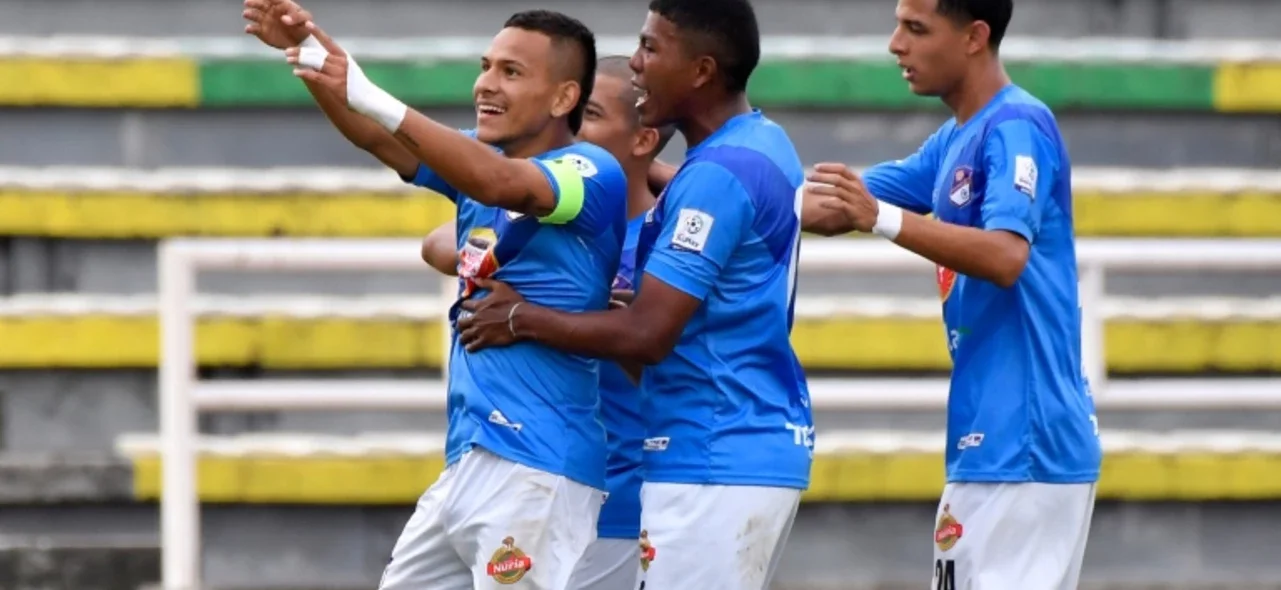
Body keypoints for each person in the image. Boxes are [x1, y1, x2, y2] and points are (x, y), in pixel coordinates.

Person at [243, 2, 630, 589]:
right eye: (485, 66)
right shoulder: (481, 159)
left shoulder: (590, 170)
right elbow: (379, 136)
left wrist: (370, 92)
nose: (485, 85)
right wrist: (312, 51)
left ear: (562, 98)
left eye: (511, 72)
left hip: (537, 469)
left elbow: (499, 184)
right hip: (469, 461)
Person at [456, 1, 813, 588]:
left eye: (651, 48)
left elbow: (648, 334)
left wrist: (522, 318)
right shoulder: (757, 146)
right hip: (730, 444)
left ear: (700, 70)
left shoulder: (719, 173)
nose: (638, 64)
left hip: (714, 450)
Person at [801, 0, 1102, 588]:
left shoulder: (1017, 127)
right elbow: (831, 203)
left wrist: (882, 219)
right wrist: (696, 185)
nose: (895, 44)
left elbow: (1006, 255)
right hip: (988, 442)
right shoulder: (954, 140)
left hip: (1028, 443)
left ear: (974, 37)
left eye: (916, 28)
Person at [420, 55, 677, 590]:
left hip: (614, 501)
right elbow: (439, 241)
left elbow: (662, 366)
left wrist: (536, 316)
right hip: (520, 474)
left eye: (589, 119)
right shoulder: (548, 217)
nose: (569, 132)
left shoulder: (661, 251)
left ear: (643, 140)